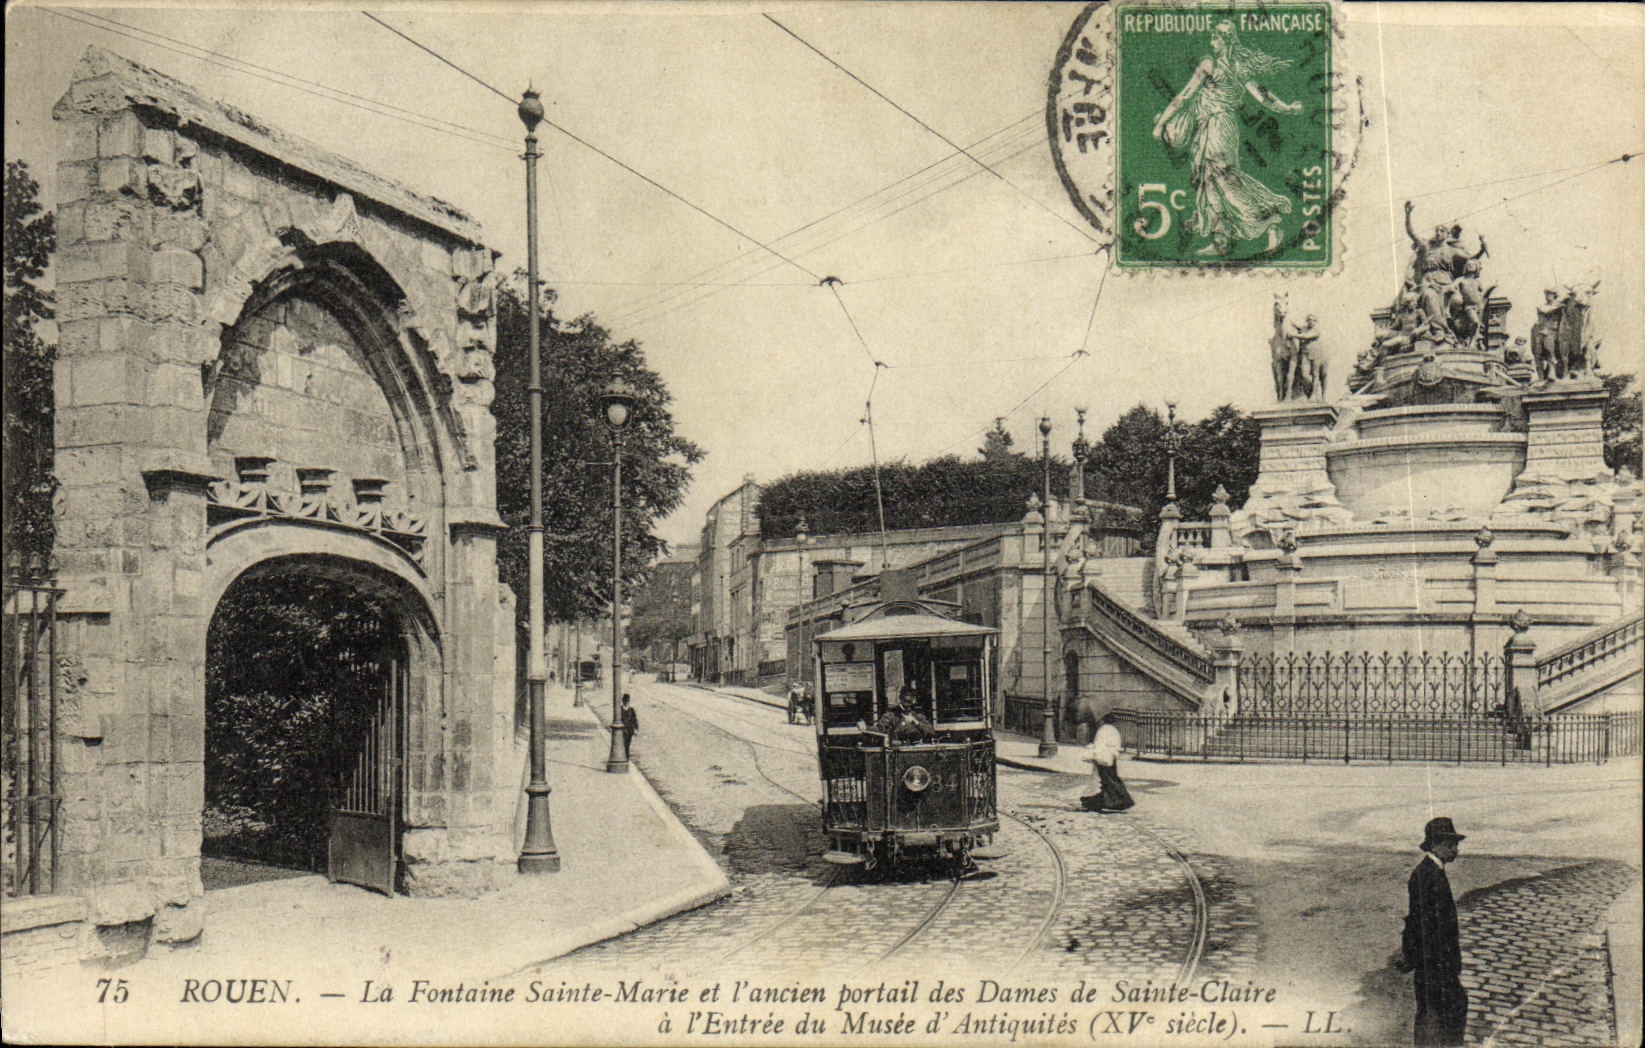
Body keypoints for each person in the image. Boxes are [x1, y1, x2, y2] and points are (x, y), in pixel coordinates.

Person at [1152, 20, 1302, 256]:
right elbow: (1186, 96)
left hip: (1220, 126)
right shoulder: (1220, 65)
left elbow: (1262, 95)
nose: (1212, 43)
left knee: (1224, 179)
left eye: (1215, 38)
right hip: (1206, 127)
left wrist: (1287, 109)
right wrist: (1288, 108)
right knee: (1208, 180)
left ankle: (1271, 221)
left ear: (1226, 41)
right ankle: (1221, 239)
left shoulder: (1218, 66)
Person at [1395, 817, 1468, 1046]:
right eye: (1450, 845)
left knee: (1436, 1011)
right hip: (1435, 962)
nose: (1455, 850)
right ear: (1435, 844)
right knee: (1438, 1012)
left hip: (1434, 961)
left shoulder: (1430, 871)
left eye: (1455, 845)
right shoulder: (1427, 875)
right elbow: (1420, 923)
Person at [1080, 713, 1134, 812]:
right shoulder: (1114, 731)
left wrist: (1094, 754)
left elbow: (1099, 746)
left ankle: (1096, 802)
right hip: (1111, 758)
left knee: (1099, 780)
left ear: (1103, 720)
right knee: (1111, 778)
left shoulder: (1103, 730)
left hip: (1102, 758)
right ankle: (1119, 799)